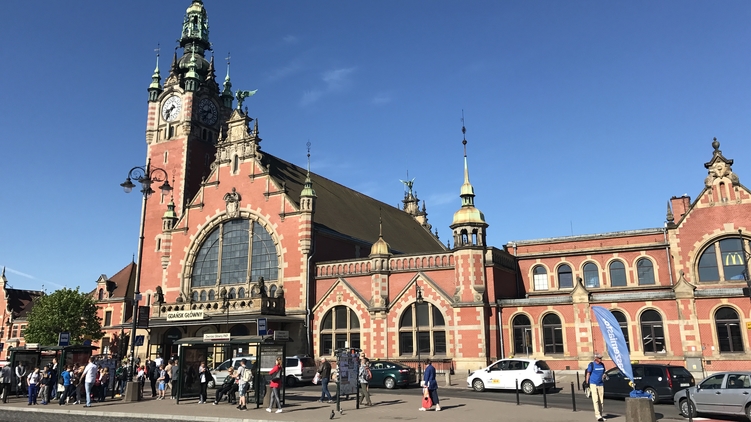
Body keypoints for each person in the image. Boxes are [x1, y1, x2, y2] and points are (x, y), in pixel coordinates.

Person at [585, 353, 608, 422]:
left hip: (600, 384)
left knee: (601, 401)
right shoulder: (592, 365)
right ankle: (597, 416)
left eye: (601, 358)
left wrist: (604, 376)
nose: (601, 359)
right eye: (599, 358)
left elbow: (604, 373)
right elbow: (588, 373)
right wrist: (587, 383)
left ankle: (600, 415)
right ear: (596, 358)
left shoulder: (602, 365)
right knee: (596, 400)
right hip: (593, 384)